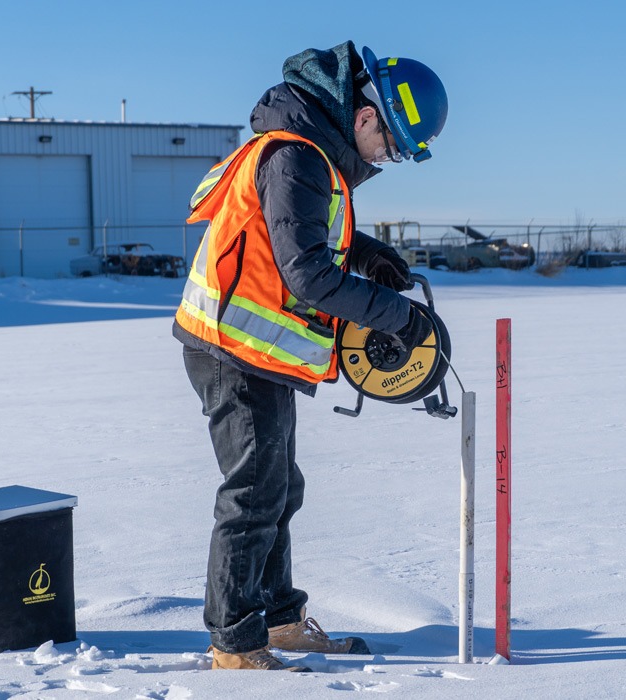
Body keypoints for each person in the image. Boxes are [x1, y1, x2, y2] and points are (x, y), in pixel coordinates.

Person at [173, 41, 448, 672]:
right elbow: (308, 275)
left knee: (279, 488)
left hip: (258, 352)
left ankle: (280, 620)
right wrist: (397, 316)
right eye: (391, 146)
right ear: (366, 116)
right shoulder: (296, 156)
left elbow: (301, 235)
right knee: (253, 494)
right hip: (231, 350)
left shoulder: (313, 155)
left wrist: (368, 253)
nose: (385, 159)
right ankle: (234, 642)